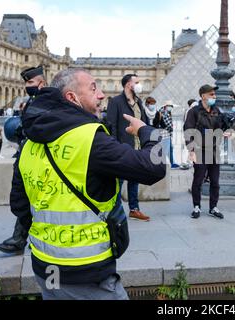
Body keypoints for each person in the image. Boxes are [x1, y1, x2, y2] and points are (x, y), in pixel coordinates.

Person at [10, 68, 165, 300]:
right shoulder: (89, 139)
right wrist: (146, 131)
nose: (102, 94)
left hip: (45, 268)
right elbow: (154, 166)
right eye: (94, 88)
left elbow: (19, 206)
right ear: (72, 98)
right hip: (86, 272)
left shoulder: (29, 144)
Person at [0, 66, 47, 255]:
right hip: (26, 154)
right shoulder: (33, 101)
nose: (27, 86)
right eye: (26, 82)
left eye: (30, 82)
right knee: (22, 198)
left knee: (28, 199)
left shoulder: (46, 102)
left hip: (37, 158)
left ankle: (21, 239)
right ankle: (19, 238)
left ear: (41, 83)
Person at [107, 74, 151, 222]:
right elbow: (111, 125)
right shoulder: (115, 101)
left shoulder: (138, 102)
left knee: (134, 179)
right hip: (122, 147)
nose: (140, 84)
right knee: (117, 182)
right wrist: (113, 147)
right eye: (137, 82)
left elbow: (144, 123)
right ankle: (115, 212)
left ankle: (134, 209)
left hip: (138, 147)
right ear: (128, 85)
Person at [184, 84, 227, 220]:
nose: (214, 97)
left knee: (215, 181)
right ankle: (196, 206)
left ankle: (213, 207)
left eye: (214, 94)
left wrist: (227, 131)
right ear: (203, 96)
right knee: (198, 180)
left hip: (214, 149)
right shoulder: (194, 112)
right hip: (199, 149)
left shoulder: (216, 110)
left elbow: (221, 126)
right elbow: (188, 130)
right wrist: (191, 150)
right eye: (211, 94)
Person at [154, 101, 179, 169]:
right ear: (166, 106)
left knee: (170, 148)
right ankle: (164, 164)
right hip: (164, 134)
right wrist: (170, 129)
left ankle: (172, 163)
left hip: (167, 133)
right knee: (165, 149)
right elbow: (166, 124)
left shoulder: (166, 112)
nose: (171, 107)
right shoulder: (163, 112)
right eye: (170, 106)